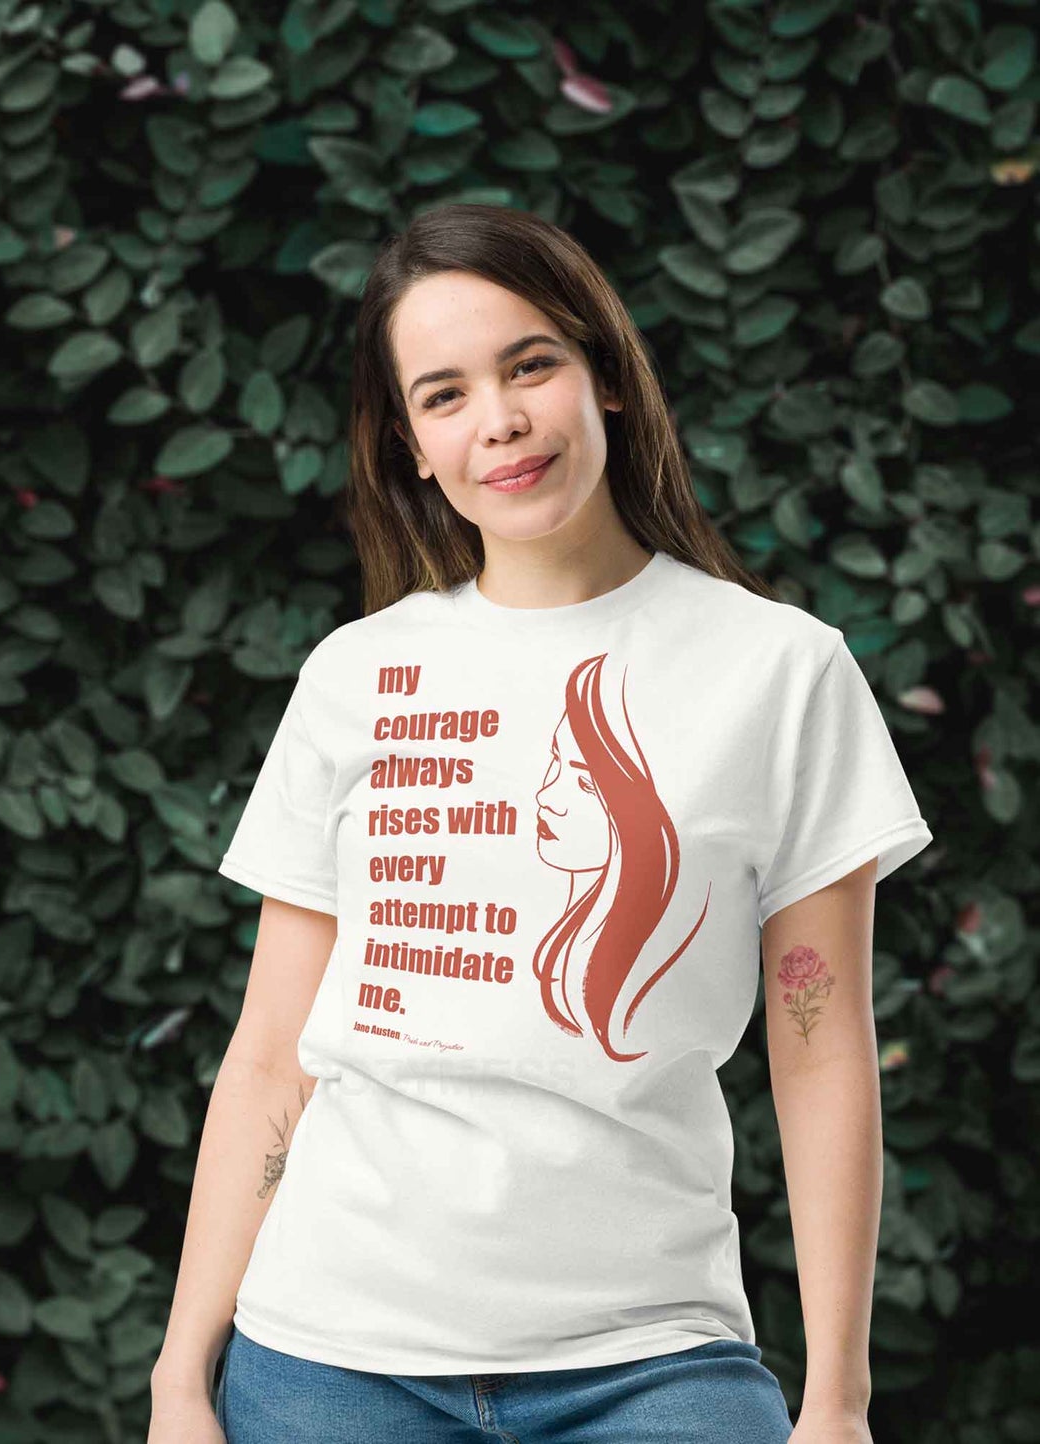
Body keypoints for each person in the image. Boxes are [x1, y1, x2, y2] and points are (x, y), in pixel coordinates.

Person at [147, 203, 932, 1444]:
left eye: (529, 365)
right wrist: (179, 1378)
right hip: (326, 1360)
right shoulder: (353, 676)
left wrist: (835, 1398)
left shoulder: (778, 671)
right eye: (443, 394)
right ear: (408, 443)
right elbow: (268, 1056)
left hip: (649, 1358)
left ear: (604, 379)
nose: (498, 422)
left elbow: (819, 1047)